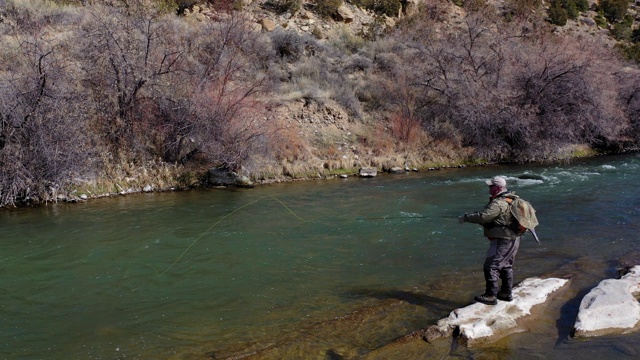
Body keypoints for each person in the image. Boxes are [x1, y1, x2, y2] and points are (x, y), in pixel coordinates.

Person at [458, 176, 520, 305]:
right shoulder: (511, 199)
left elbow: (484, 217)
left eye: (491, 186)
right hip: (514, 238)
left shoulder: (499, 202)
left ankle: (491, 295)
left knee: (491, 266)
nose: (489, 188)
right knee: (506, 266)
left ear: (498, 188)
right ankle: (505, 293)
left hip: (502, 239)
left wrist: (466, 218)